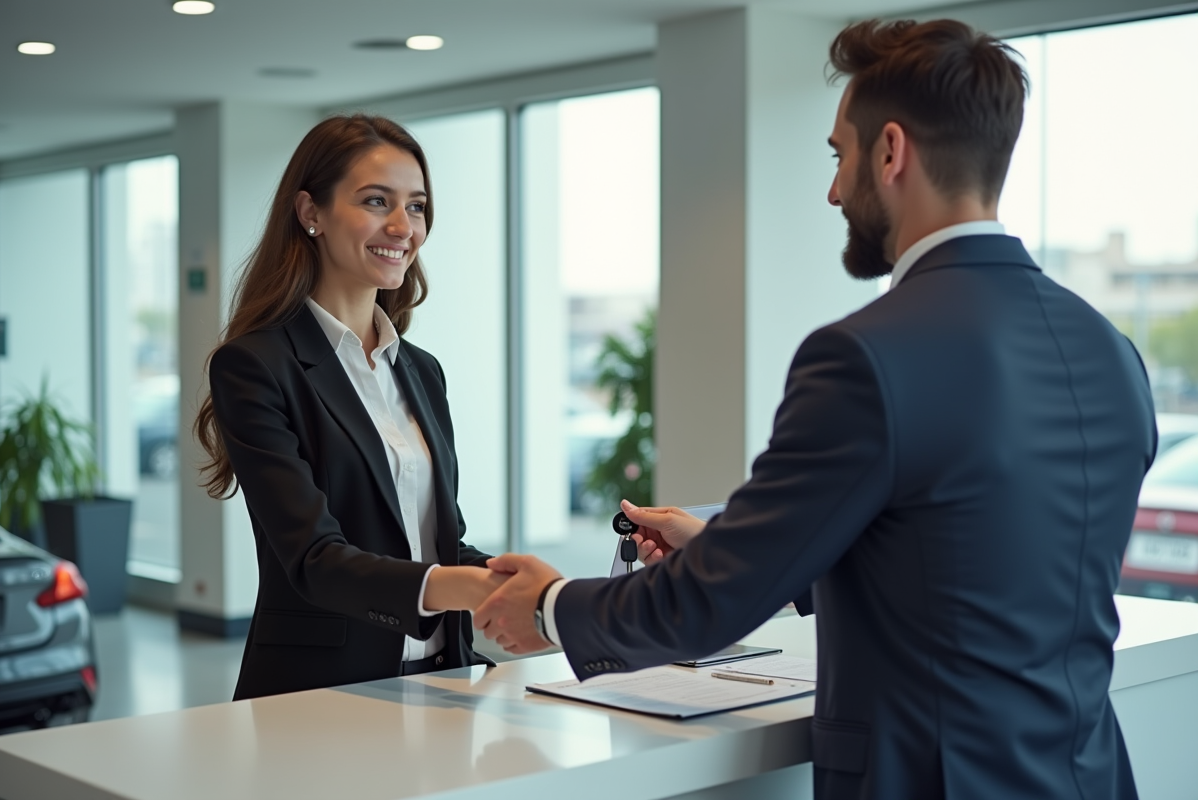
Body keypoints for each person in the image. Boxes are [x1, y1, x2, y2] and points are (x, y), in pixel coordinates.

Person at [474, 19, 1154, 800]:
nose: (833, 190)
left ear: (891, 151)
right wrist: (734, 542)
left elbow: (707, 608)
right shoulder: (1109, 349)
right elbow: (977, 553)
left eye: (840, 155)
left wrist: (553, 606)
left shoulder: (865, 356)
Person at [195, 115, 506, 700]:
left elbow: (438, 541)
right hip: (322, 692)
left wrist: (528, 584)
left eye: (416, 206)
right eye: (375, 201)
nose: (402, 226)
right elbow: (314, 558)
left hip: (445, 679)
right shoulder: (255, 366)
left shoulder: (422, 370)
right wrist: (462, 585)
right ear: (311, 212)